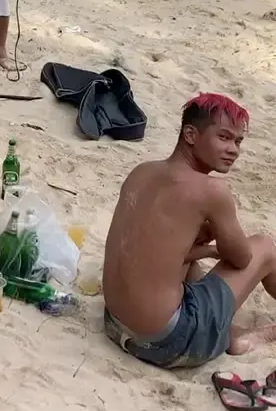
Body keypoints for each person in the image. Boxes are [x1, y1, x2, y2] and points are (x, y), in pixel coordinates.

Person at [102, 93, 276, 369]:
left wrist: (204, 246)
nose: (234, 149)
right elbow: (242, 259)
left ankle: (231, 332)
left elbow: (155, 253)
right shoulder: (212, 190)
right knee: (265, 247)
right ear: (191, 135)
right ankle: (234, 333)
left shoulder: (141, 171)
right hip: (167, 343)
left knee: (191, 255)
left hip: (115, 324)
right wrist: (217, 237)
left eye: (238, 141)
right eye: (224, 137)